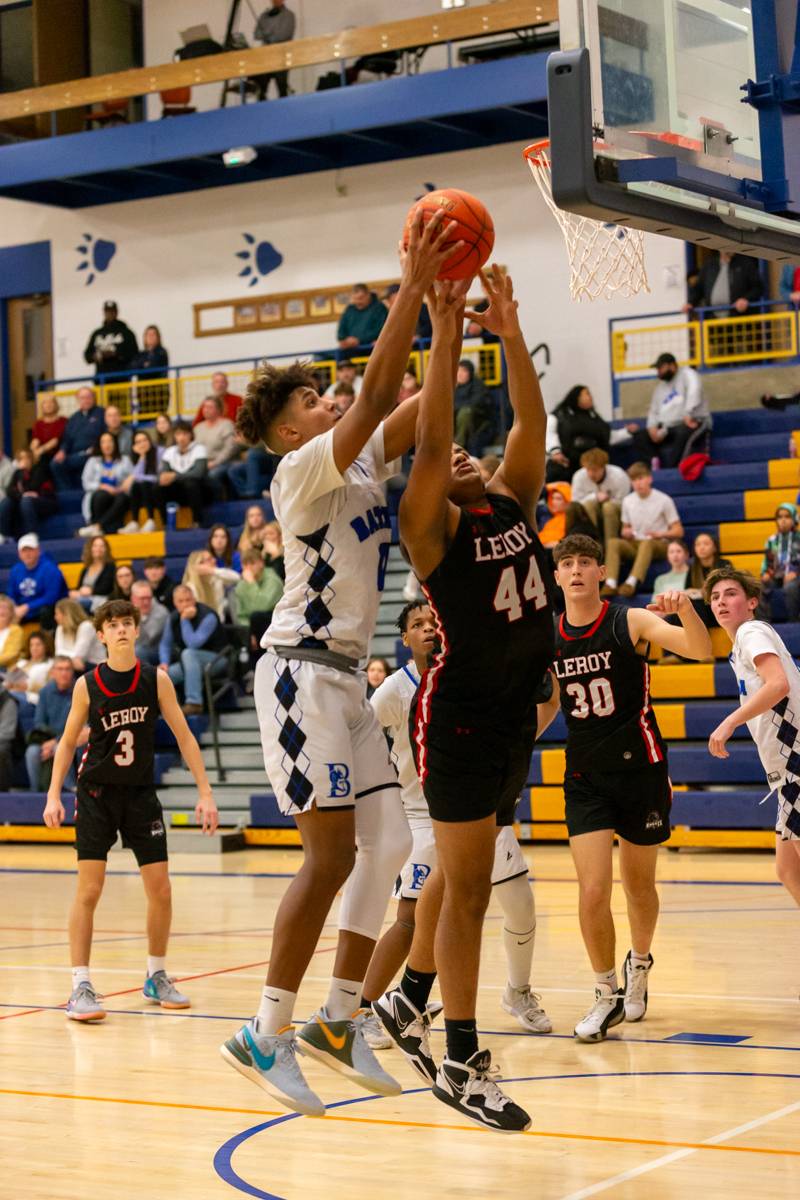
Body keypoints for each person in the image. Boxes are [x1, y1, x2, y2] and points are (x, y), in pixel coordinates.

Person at [220, 210, 454, 1118]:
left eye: (324, 394)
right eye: (308, 401)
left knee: (391, 844)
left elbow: (418, 407)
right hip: (299, 672)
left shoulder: (359, 471)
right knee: (326, 858)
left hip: (349, 676)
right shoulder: (301, 473)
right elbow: (372, 400)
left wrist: (447, 319)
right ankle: (265, 1032)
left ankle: (337, 1019)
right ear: (286, 434)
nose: (325, 399)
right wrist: (410, 288)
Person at [373, 266, 554, 1134]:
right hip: (461, 719)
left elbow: (531, 421)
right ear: (429, 483)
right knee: (473, 888)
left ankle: (406, 998)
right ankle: (461, 1058)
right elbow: (434, 434)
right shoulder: (432, 530)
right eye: (443, 459)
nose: (461, 454)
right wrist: (445, 336)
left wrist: (509, 332)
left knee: (461, 864)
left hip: (513, 710)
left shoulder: (513, 498)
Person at [362, 603, 556, 1051]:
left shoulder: (471, 675)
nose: (428, 629)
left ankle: (516, 993)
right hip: (421, 816)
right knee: (413, 920)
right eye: (417, 625)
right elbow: (364, 743)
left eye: (433, 622)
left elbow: (539, 706)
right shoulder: (394, 689)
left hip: (480, 807)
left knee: (521, 906)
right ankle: (364, 1007)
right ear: (405, 639)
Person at [552, 533, 711, 1041]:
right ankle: (605, 994)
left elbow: (700, 650)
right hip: (584, 776)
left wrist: (684, 608)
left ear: (601, 572)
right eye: (567, 563)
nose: (576, 570)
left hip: (641, 769)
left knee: (639, 885)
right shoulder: (547, 636)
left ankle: (638, 963)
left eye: (585, 562)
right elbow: (545, 705)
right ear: (556, 576)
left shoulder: (629, 620)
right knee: (593, 889)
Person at [43, 599, 218, 1021]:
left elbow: (185, 737)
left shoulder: (156, 680)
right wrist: (53, 795)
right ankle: (80, 985)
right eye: (113, 625)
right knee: (90, 890)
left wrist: (205, 792)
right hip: (97, 794)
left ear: (137, 632)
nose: (121, 630)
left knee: (161, 889)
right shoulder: (88, 684)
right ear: (100, 635)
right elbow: (67, 743)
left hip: (140, 794)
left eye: (127, 623)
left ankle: (156, 975)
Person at [706, 567, 800, 911]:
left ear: (751, 602)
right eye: (715, 597)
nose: (721, 602)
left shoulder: (751, 631)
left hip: (796, 762)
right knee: (788, 868)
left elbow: (778, 684)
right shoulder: (739, 647)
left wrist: (729, 722)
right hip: (785, 768)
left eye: (730, 593)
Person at [603, 463, 684, 597]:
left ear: (649, 479)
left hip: (659, 543)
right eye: (634, 480)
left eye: (640, 478)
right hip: (636, 542)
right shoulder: (628, 501)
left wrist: (660, 534)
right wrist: (626, 532)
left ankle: (631, 582)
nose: (638, 483)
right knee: (613, 542)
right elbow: (625, 528)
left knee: (647, 543)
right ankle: (610, 583)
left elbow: (678, 531)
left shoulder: (664, 500)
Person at [627, 354, 710, 469]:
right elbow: (654, 411)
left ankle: (673, 470)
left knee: (683, 433)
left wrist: (689, 413)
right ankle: (654, 464)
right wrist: (652, 427)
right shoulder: (660, 388)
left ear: (672, 366)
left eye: (661, 368)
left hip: (690, 422)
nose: (658, 372)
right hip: (667, 428)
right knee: (640, 436)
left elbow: (694, 392)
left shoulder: (688, 374)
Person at [159, 583, 228, 715]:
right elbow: (165, 644)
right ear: (175, 603)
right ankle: (168, 709)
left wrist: (184, 620)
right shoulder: (173, 617)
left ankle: (194, 703)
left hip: (217, 660)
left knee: (189, 653)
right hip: (190, 664)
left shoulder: (208, 616)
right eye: (181, 601)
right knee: (162, 676)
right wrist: (164, 663)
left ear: (194, 600)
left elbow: (193, 644)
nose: (185, 604)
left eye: (188, 600)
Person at [26, 656, 87, 791]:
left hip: (73, 737)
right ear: (52, 672)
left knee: (63, 746)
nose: (64, 673)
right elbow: (39, 722)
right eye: (60, 669)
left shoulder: (81, 689)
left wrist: (56, 741)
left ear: (72, 672)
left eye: (67, 669)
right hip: (48, 739)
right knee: (32, 752)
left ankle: (71, 789)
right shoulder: (45, 692)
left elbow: (83, 726)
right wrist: (47, 743)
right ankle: (36, 794)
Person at [545, 385, 611, 483]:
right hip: (566, 462)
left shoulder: (593, 416)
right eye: (586, 394)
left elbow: (607, 435)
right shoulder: (559, 415)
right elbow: (550, 433)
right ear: (576, 397)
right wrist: (555, 452)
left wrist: (627, 432)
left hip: (590, 463)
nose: (590, 397)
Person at [570, 448, 631, 546]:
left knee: (608, 507)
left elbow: (625, 502)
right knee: (589, 503)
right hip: (590, 511)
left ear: (604, 467)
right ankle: (595, 543)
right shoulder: (579, 476)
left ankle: (609, 545)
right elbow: (575, 502)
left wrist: (609, 501)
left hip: (615, 512)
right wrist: (594, 496)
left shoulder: (619, 476)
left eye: (595, 470)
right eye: (588, 470)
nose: (591, 474)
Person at [8, 533, 67, 631]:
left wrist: (27, 607)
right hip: (23, 611)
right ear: (19, 554)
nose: (27, 554)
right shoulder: (16, 570)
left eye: (30, 550)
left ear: (38, 551)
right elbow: (11, 594)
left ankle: (48, 639)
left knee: (46, 610)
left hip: (46, 609)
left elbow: (51, 597)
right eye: (24, 551)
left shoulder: (50, 568)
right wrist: (13, 607)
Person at [78, 432, 134, 537]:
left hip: (119, 495)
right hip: (100, 497)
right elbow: (86, 483)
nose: (107, 445)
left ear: (115, 443)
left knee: (121, 498)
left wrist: (122, 487)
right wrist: (103, 486)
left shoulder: (125, 460)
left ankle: (97, 527)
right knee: (101, 495)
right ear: (99, 445)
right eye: (103, 442)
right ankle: (101, 527)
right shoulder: (92, 461)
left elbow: (133, 479)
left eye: (110, 441)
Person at [155, 420, 208, 528]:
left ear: (191, 435)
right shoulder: (169, 451)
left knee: (191, 483)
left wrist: (175, 476)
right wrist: (162, 477)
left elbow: (198, 473)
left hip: (200, 490)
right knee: (158, 487)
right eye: (178, 434)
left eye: (185, 434)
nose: (182, 437)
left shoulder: (199, 449)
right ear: (174, 436)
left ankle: (197, 521)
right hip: (178, 492)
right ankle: (165, 524)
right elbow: (163, 473)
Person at [51, 387, 105, 489]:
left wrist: (96, 448)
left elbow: (106, 435)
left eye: (88, 397)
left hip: (93, 453)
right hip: (74, 454)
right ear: (78, 400)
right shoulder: (73, 418)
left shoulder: (102, 413)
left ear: (94, 398)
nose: (86, 400)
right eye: (82, 398)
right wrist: (62, 451)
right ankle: (68, 495)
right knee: (55, 464)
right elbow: (67, 439)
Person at [0, 447, 57, 540]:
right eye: (21, 458)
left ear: (31, 458)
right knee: (7, 501)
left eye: (26, 457)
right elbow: (10, 491)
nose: (24, 461)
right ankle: (3, 534)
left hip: (46, 500)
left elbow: (32, 487)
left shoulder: (39, 469)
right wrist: (21, 494)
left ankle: (31, 534)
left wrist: (21, 493)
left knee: (26, 501)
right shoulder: (18, 473)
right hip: (26, 501)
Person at [686, 250, 764, 316]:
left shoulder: (745, 263)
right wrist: (690, 303)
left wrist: (745, 299)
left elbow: (758, 287)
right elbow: (698, 288)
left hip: (739, 318)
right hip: (714, 320)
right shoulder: (709, 265)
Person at [759, 503, 800, 622]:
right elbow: (768, 562)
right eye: (780, 517)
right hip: (777, 576)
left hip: (796, 575)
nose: (783, 520)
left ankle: (794, 621)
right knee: (758, 587)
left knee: (790, 587)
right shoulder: (771, 540)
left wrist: (795, 573)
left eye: (787, 517)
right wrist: (765, 573)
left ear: (794, 519)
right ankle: (763, 623)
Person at [193, 396, 240, 499]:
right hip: (202, 463)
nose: (206, 410)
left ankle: (218, 502)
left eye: (210, 407)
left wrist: (215, 462)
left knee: (212, 475)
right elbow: (193, 449)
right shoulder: (198, 428)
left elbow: (230, 448)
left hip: (223, 462)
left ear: (218, 409)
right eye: (204, 407)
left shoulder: (226, 425)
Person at [120, 428, 164, 534]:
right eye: (138, 442)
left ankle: (151, 520)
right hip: (143, 492)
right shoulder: (137, 457)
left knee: (143, 483)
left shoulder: (160, 451)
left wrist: (137, 477)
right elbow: (136, 477)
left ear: (150, 440)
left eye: (144, 440)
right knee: (136, 486)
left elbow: (157, 476)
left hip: (159, 489)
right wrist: (142, 457)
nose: (142, 444)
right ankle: (135, 522)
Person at [253, 0, 296, 100]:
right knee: (261, 89)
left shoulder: (289, 15)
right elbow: (256, 34)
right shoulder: (264, 16)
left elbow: (285, 34)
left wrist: (267, 33)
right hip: (265, 57)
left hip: (281, 55)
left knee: (282, 88)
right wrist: (272, 32)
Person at [83, 301, 138, 377]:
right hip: (101, 379)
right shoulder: (97, 333)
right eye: (107, 311)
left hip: (120, 379)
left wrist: (116, 354)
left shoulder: (126, 332)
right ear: (104, 312)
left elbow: (134, 354)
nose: (110, 314)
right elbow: (87, 356)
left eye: (112, 311)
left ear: (116, 312)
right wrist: (97, 356)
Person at [182, 548, 239, 619]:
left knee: (233, 592)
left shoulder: (217, 579)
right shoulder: (191, 587)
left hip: (220, 623)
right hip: (200, 623)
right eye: (209, 559)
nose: (214, 560)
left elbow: (236, 578)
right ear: (199, 565)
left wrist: (212, 570)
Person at [54, 597, 105, 672]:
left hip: (95, 667)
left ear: (67, 614)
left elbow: (80, 655)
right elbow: (58, 653)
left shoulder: (86, 626)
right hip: (74, 665)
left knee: (64, 668)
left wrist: (69, 656)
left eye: (57, 614)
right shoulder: (60, 628)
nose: (55, 617)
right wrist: (72, 657)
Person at [5, 629, 54, 705]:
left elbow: (51, 688)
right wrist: (8, 683)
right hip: (11, 694)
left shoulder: (50, 664)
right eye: (32, 645)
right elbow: (7, 683)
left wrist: (28, 687)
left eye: (38, 644)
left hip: (31, 698)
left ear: (46, 646)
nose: (34, 648)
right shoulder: (21, 663)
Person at [453, 358, 492, 450]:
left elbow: (476, 402)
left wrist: (457, 407)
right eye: (458, 370)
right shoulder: (454, 386)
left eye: (464, 371)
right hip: (458, 418)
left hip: (477, 419)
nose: (460, 374)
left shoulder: (478, 384)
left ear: (470, 372)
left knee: (465, 412)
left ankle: (459, 445)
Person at [337, 283, 388, 351]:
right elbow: (341, 331)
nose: (358, 302)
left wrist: (359, 340)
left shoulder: (379, 308)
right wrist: (344, 340)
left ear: (368, 295)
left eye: (361, 298)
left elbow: (381, 329)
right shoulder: (349, 309)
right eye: (355, 299)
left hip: (372, 347)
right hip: (350, 348)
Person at [70, 536, 116, 610]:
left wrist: (90, 591)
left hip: (100, 599)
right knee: (65, 601)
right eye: (95, 546)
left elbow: (106, 588)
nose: (98, 549)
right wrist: (76, 592)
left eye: (102, 546)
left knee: (76, 604)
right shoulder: (86, 567)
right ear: (90, 548)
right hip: (84, 597)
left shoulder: (110, 566)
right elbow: (79, 586)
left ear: (106, 549)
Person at [130, 580, 169, 666]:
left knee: (138, 651)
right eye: (142, 598)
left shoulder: (161, 612)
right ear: (133, 598)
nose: (146, 602)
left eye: (149, 598)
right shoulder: (128, 611)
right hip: (135, 649)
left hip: (157, 651)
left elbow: (147, 640)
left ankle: (147, 678)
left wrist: (137, 617)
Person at [30, 395, 67, 464]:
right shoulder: (38, 423)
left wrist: (39, 451)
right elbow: (35, 440)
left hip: (58, 453)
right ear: (42, 406)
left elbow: (55, 441)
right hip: (43, 455)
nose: (48, 405)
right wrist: (33, 450)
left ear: (56, 405)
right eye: (45, 403)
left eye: (51, 402)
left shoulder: (63, 421)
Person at [0, 594, 24, 671]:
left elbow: (11, 655)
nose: (1, 611)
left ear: (11, 613)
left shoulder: (16, 630)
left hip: (7, 669)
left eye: (5, 608)